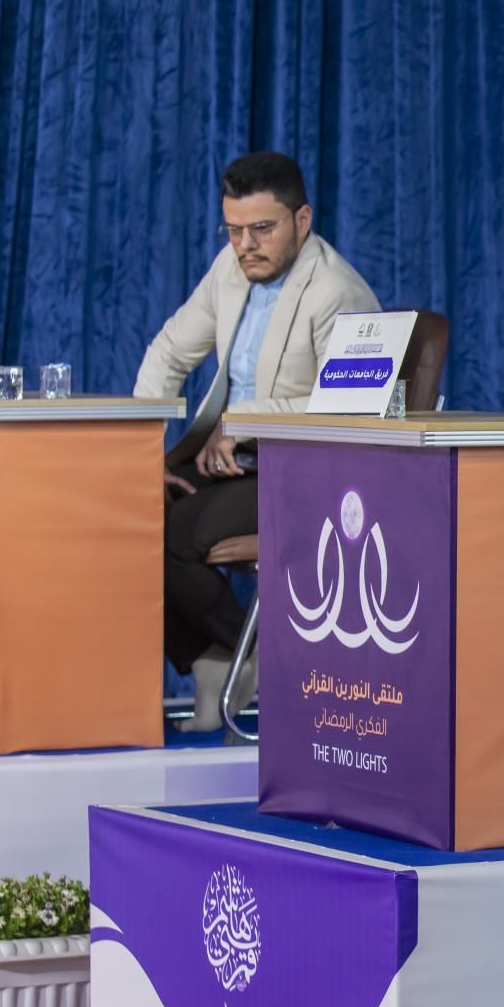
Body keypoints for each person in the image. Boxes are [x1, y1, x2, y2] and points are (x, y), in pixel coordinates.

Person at [134, 151, 380, 729]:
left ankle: (260, 660)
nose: (246, 245)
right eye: (234, 229)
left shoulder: (337, 291)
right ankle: (219, 660)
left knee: (177, 533)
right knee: (128, 511)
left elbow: (350, 407)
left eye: (263, 229)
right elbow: (169, 351)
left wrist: (241, 419)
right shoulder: (231, 267)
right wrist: (140, 453)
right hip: (231, 459)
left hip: (304, 470)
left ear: (302, 220)